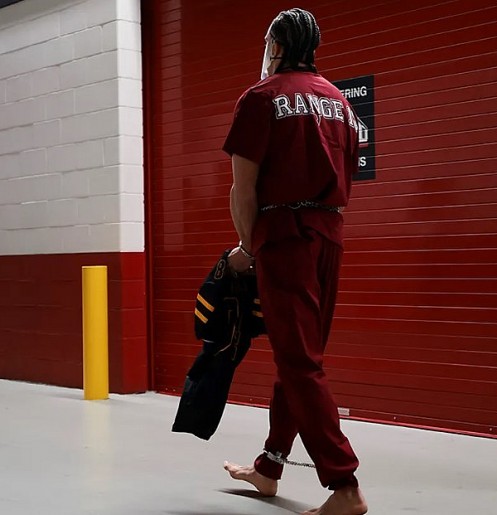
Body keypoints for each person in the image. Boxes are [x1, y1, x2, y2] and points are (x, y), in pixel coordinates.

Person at [219, 8, 368, 515]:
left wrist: (247, 244)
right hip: (330, 236)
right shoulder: (340, 103)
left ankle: (344, 487)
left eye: (266, 43)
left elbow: (243, 189)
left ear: (278, 46)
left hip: (283, 238)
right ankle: (269, 467)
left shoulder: (259, 99)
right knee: (299, 356)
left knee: (298, 361)